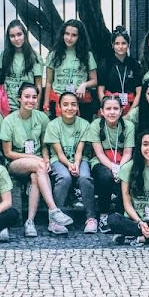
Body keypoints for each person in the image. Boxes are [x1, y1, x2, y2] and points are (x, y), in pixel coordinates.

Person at [0, 83, 70, 236]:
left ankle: (30, 222)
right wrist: (35, 158)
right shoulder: (9, 121)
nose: (30, 100)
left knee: (36, 175)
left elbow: (45, 146)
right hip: (16, 162)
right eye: (27, 97)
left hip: (38, 164)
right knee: (38, 167)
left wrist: (46, 160)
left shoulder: (42, 118)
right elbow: (8, 152)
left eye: (34, 97)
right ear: (19, 99)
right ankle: (53, 210)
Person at [45, 92, 95, 233]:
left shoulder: (84, 124)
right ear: (59, 107)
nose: (70, 108)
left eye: (73, 104)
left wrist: (76, 164)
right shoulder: (53, 125)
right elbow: (59, 153)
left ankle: (91, 218)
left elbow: (80, 150)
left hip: (79, 159)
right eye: (65, 104)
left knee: (85, 178)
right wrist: (69, 165)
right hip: (59, 160)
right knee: (64, 177)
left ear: (78, 107)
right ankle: (55, 218)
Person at [86, 96, 136, 225]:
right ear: (102, 111)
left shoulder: (128, 126)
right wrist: (113, 168)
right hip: (101, 160)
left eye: (115, 109)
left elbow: (127, 152)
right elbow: (99, 153)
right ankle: (104, 214)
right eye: (108, 109)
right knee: (105, 176)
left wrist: (120, 168)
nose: (112, 112)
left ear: (121, 111)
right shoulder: (96, 125)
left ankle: (120, 213)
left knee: (127, 175)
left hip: (122, 159)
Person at [45, 20, 97, 118]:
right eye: (67, 34)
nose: (69, 38)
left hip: (80, 102)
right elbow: (48, 82)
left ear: (79, 37)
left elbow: (94, 80)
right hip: (58, 101)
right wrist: (46, 106)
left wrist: (84, 85)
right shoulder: (53, 55)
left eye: (74, 35)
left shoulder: (87, 55)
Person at [0, 20, 43, 114]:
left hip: (27, 106)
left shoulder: (34, 57)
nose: (16, 38)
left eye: (19, 34)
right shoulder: (4, 55)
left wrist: (36, 106)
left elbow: (38, 85)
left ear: (24, 34)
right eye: (12, 36)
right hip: (7, 106)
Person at [97, 27, 142, 117]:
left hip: (131, 107)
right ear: (112, 45)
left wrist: (130, 113)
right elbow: (100, 90)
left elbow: (139, 92)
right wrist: (108, 107)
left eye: (124, 43)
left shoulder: (134, 64)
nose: (120, 47)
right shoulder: (105, 63)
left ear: (128, 45)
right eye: (117, 43)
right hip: (110, 107)